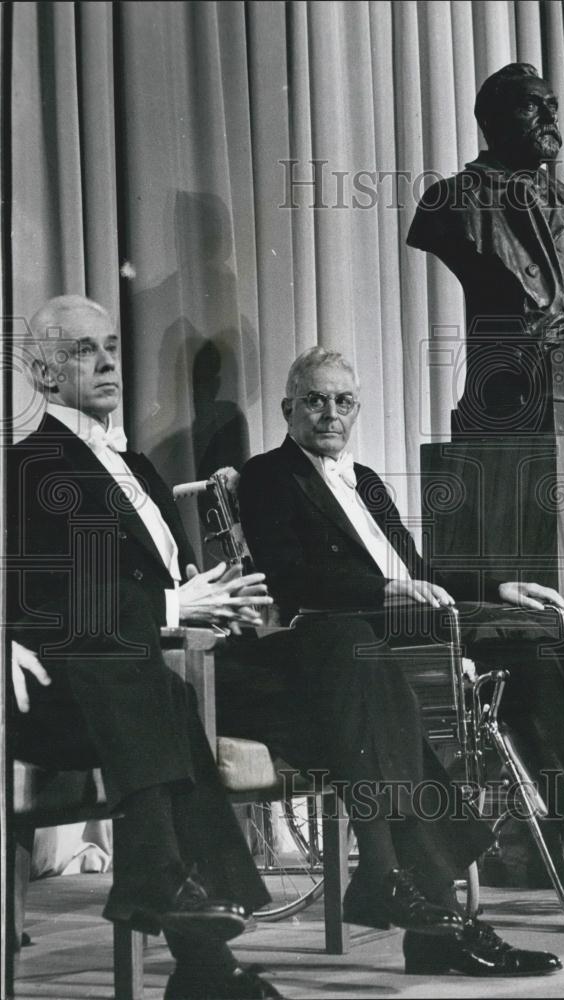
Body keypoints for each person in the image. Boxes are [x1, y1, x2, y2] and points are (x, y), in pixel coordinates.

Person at [236, 347, 564, 899]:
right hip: (366, 643)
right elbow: (289, 577)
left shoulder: (366, 481)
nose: (330, 414)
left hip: (423, 627)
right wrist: (384, 589)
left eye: (343, 401)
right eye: (316, 401)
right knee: (531, 677)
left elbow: (417, 569)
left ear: (356, 408)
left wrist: (497, 587)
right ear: (287, 408)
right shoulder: (267, 476)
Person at [6, 295, 281, 1000]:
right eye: (81, 351)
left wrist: (217, 602)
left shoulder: (135, 465)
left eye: (110, 346)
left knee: (188, 683)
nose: (104, 363)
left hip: (154, 671)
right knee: (146, 680)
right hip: (61, 687)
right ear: (40, 372)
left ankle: (193, 937)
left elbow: (177, 575)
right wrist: (169, 606)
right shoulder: (31, 463)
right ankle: (195, 943)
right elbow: (52, 604)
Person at [407, 62, 564, 432]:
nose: (548, 118)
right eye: (530, 106)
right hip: (509, 397)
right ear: (491, 121)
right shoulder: (453, 201)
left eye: (552, 107)